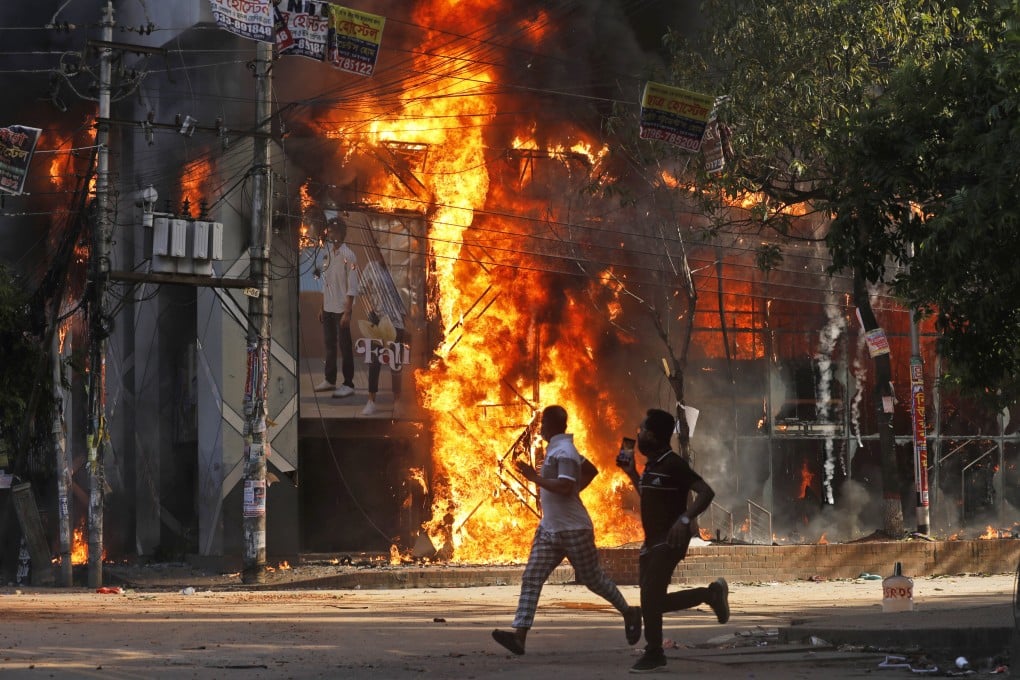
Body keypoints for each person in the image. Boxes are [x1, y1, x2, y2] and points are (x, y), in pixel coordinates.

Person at [492, 405, 642, 656]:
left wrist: (534, 478)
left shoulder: (564, 452)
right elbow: (591, 471)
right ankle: (519, 636)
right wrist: (574, 491)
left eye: (542, 425)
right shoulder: (559, 448)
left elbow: (563, 487)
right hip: (550, 529)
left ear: (551, 425)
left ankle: (629, 612)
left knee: (594, 580)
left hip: (574, 530)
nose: (539, 429)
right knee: (532, 577)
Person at [617, 407, 730, 673]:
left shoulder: (674, 464)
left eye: (643, 430)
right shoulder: (653, 465)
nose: (639, 434)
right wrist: (632, 474)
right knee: (652, 602)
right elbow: (650, 497)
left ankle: (654, 652)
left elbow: (705, 492)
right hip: (651, 542)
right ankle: (710, 594)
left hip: (670, 541)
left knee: (650, 597)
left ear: (655, 436)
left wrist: (684, 520)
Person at [313, 217, 359, 399]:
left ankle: (349, 384)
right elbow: (327, 284)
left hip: (342, 310)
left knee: (345, 347)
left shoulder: (349, 255)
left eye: (333, 231)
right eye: (329, 231)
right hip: (328, 308)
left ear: (341, 232)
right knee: (330, 345)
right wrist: (321, 306)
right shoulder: (328, 255)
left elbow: (352, 285)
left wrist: (348, 312)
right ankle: (329, 379)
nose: (330, 234)